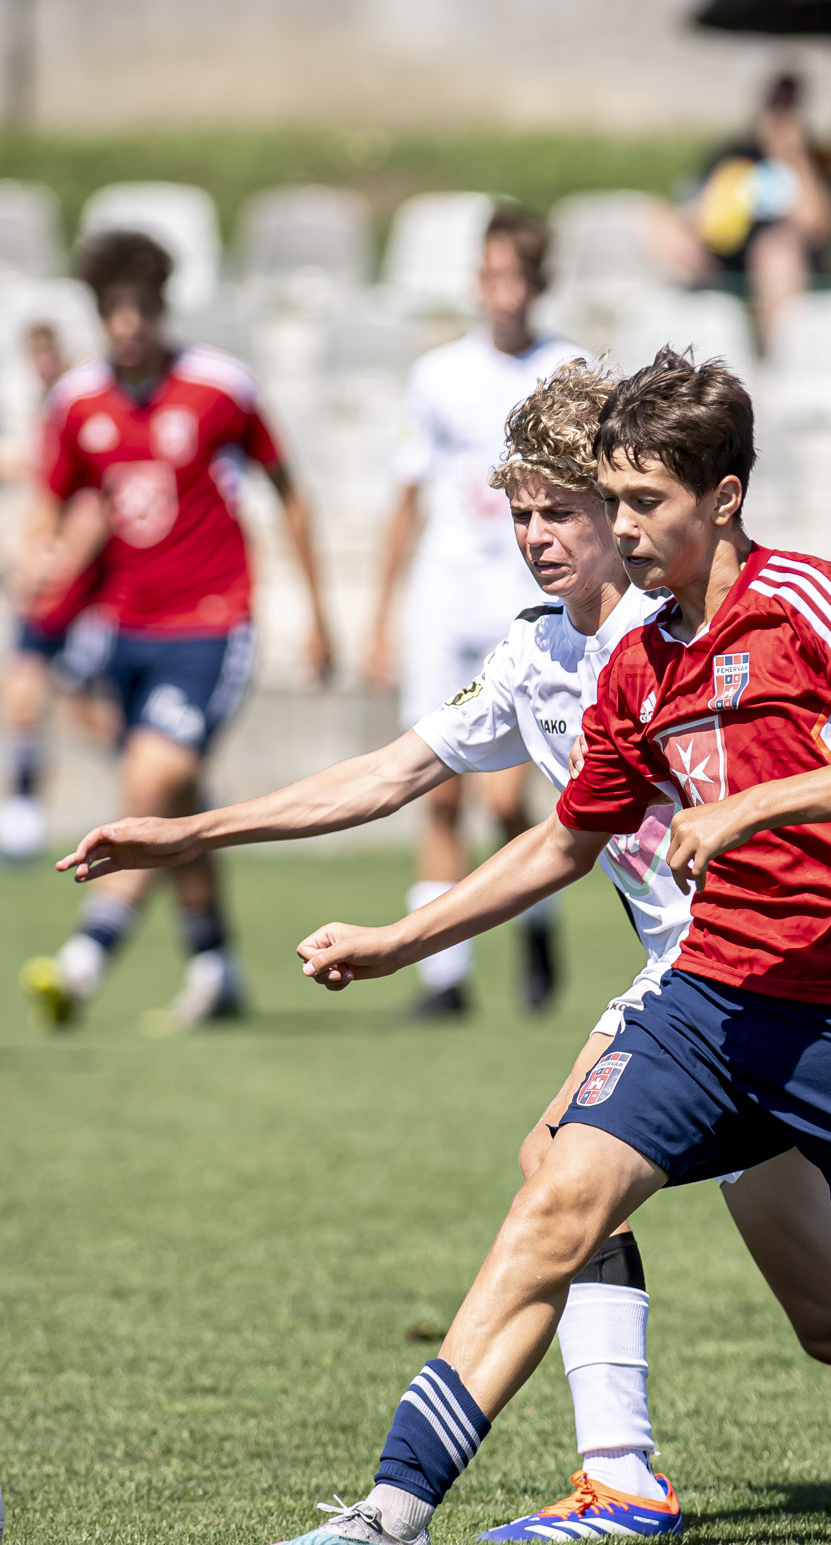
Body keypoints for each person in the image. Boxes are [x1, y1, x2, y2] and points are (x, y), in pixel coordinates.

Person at [63, 359, 831, 1545]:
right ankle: (410, 1505)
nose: (560, 534)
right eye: (543, 511)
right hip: (699, 994)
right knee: (560, 1189)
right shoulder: (600, 663)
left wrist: (750, 808)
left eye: (601, 506)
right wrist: (354, 916)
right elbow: (546, 832)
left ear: (709, 498)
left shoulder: (797, 603)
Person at [10, 229, 333, 1032]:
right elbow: (50, 501)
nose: (128, 325)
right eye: (112, 310)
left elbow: (289, 491)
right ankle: (215, 966)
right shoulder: (76, 402)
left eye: (141, 308)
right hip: (121, 630)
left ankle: (83, 959)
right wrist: (39, 553)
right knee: (176, 797)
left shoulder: (220, 387)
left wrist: (319, 614)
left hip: (211, 623)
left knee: (151, 778)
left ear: (162, 307)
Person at [362, 206, 586, 1017]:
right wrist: (381, 618)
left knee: (506, 798)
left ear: (538, 283)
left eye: (517, 277)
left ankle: (537, 925)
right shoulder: (438, 374)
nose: (504, 293)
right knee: (439, 790)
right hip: (444, 599)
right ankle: (444, 978)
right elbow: (408, 497)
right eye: (492, 275)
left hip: (528, 602)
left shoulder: (566, 369)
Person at [679, 73, 831, 340]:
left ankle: (775, 347)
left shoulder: (816, 159)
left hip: (788, 259)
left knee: (775, 252)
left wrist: (791, 154)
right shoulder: (734, 154)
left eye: (787, 106)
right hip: (725, 253)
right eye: (775, 104)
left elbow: (817, 224)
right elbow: (698, 210)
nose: (779, 115)